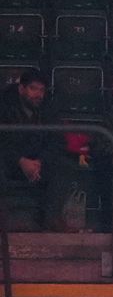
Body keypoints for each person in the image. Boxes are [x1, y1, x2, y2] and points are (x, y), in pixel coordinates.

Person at [1, 70, 86, 231]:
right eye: (33, 89)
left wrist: (39, 162)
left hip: (37, 163)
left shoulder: (48, 108)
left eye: (41, 90)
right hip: (10, 161)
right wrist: (20, 161)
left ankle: (52, 218)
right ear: (21, 89)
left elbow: (57, 142)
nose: (38, 94)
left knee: (64, 165)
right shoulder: (4, 107)